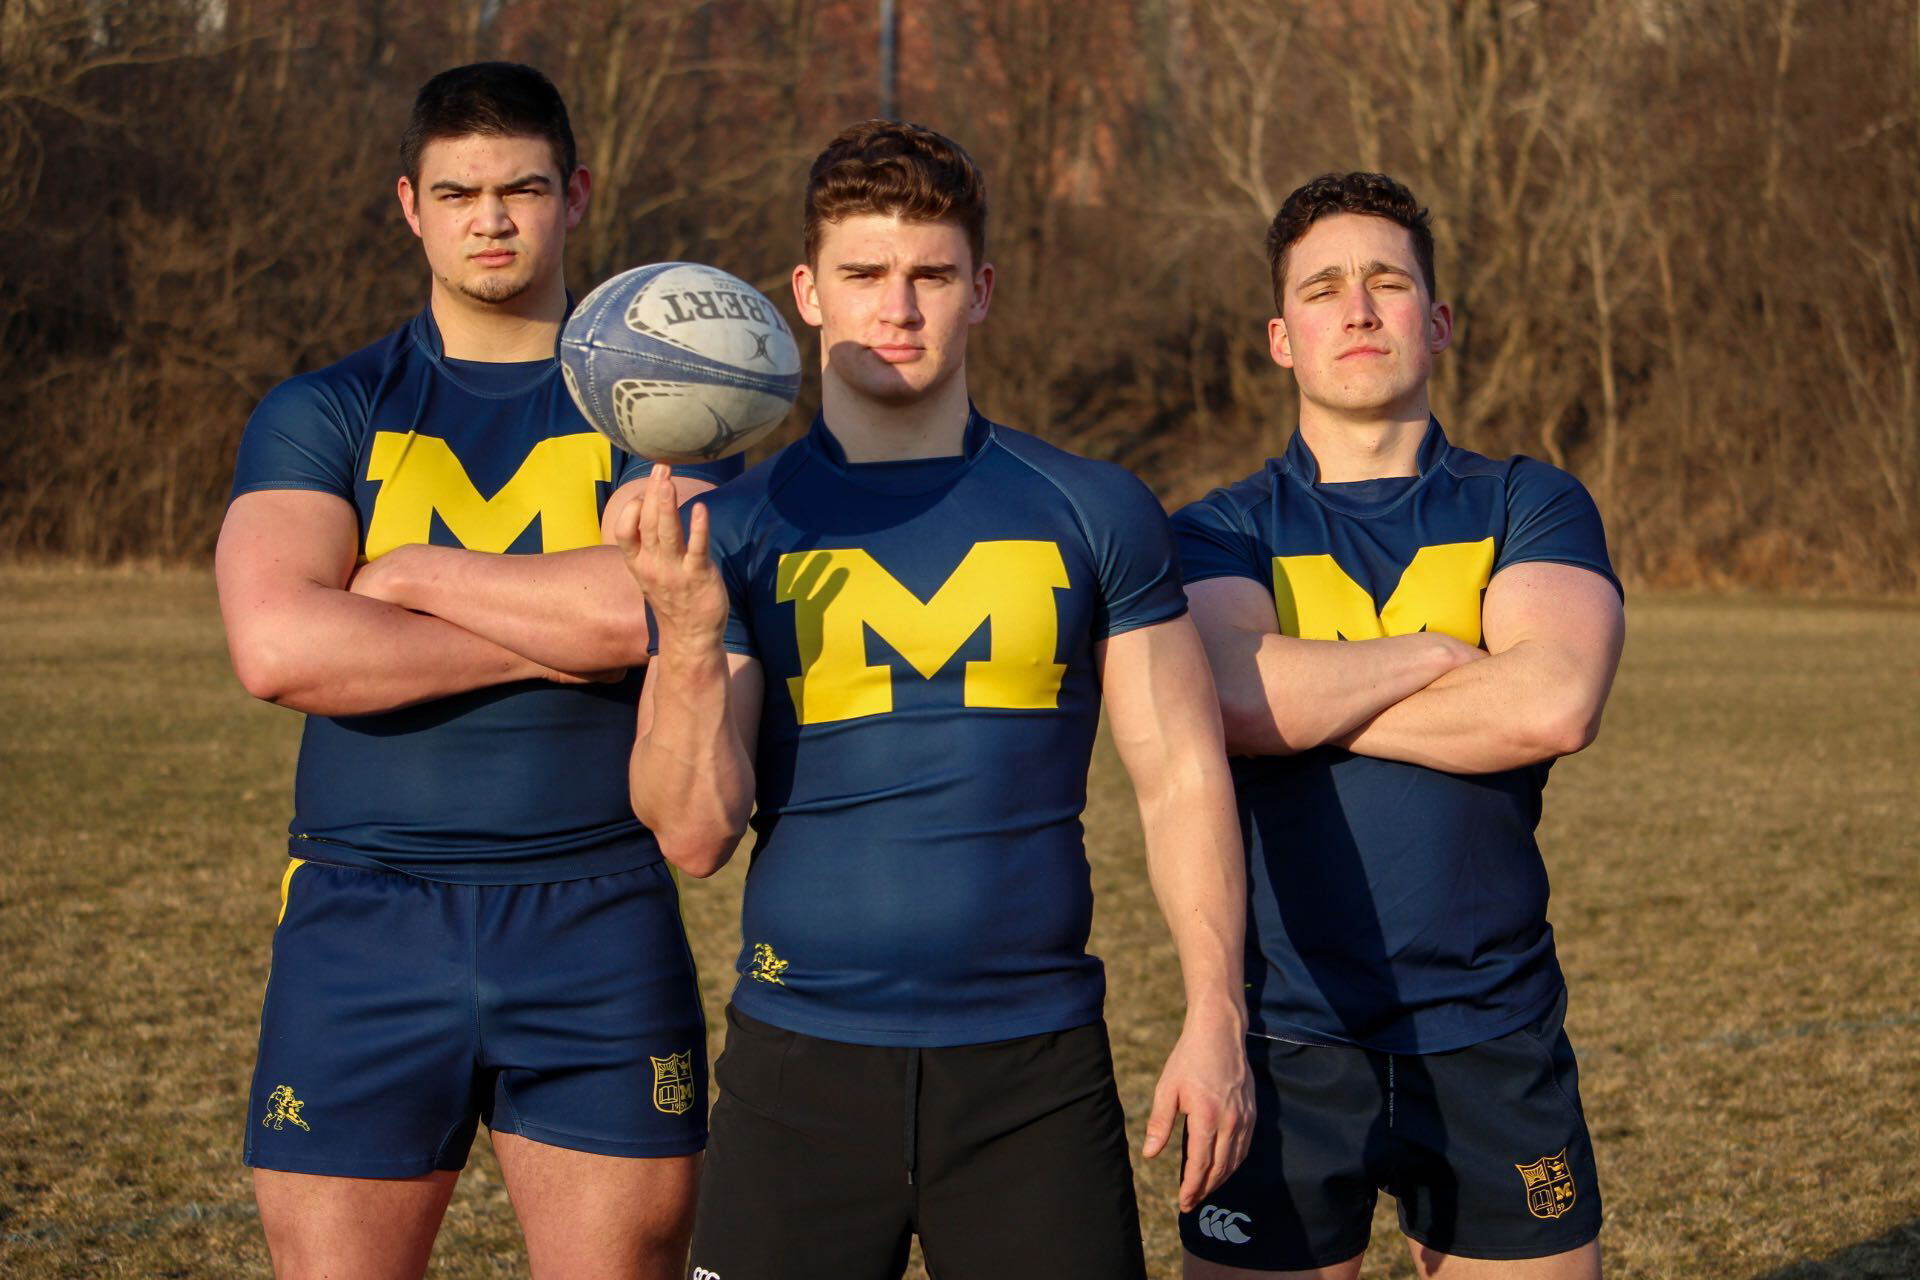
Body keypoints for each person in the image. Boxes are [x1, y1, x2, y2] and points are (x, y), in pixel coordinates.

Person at [616, 119, 1253, 1280]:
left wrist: (1217, 1012)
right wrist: (692, 630)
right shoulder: (744, 527)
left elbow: (1181, 779)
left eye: (931, 275)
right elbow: (694, 831)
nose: (896, 307)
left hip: (1033, 1074)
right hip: (800, 1066)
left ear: (983, 291)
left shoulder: (1095, 507)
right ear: (806, 292)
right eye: (863, 273)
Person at [215, 62, 740, 1280]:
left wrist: (406, 572)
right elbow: (281, 645)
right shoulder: (326, 407)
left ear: (577, 196)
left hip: (598, 913)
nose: (491, 219)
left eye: (521, 188)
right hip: (362, 918)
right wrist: (562, 633)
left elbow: (647, 614)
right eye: (458, 193)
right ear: (411, 204)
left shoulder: (672, 406)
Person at [1170, 171, 1625, 1280]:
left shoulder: (1532, 499)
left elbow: (1553, 701)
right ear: (1282, 337)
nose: (1360, 308)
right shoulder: (1217, 527)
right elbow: (1231, 698)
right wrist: (1434, 658)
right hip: (1281, 1031)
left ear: (1440, 320)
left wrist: (1303, 701)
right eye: (1324, 289)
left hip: (1493, 1027)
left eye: (1388, 281)